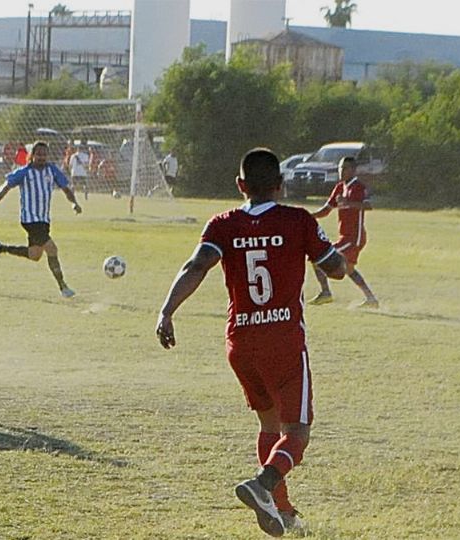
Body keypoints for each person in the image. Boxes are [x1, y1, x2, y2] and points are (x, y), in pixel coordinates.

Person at [156, 148, 346, 536]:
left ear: (240, 185)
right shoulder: (298, 220)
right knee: (297, 432)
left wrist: (166, 311)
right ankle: (263, 485)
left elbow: (195, 266)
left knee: (268, 424)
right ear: (281, 184)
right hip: (283, 339)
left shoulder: (223, 225)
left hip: (240, 341)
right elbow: (336, 268)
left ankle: (284, 511)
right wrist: (324, 254)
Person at [0, 141, 83, 298]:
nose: (42, 157)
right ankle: (63, 287)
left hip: (43, 220)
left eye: (44, 154)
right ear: (32, 155)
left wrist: (74, 203)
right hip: (30, 220)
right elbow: (5, 187)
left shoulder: (52, 171)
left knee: (35, 255)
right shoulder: (24, 172)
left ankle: (0, 248)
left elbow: (66, 189)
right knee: (52, 249)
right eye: (39, 154)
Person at [308, 156, 379, 308]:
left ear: (353, 170)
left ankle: (326, 292)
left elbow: (368, 206)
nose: (341, 171)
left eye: (345, 168)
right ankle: (371, 299)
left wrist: (349, 203)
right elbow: (326, 211)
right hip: (345, 237)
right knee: (349, 269)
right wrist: (308, 216)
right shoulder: (340, 187)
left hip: (354, 238)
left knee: (317, 257)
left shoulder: (358, 187)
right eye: (340, 168)